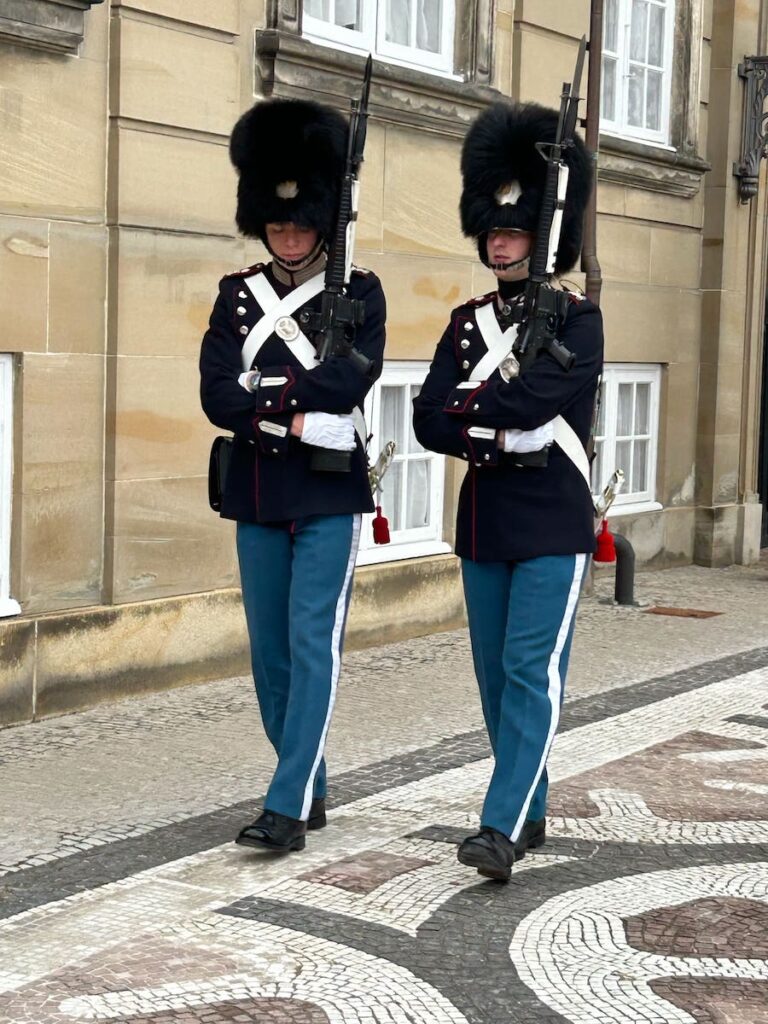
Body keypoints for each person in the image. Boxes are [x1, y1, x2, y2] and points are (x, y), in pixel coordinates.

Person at [412, 101, 602, 881]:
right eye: (492, 232)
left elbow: (535, 407)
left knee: (531, 671)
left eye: (514, 231)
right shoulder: (465, 326)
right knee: (495, 678)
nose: (499, 243)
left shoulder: (579, 321)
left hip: (553, 521)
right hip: (486, 521)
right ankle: (531, 803)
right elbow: (428, 418)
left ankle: (499, 826)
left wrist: (475, 414)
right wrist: (484, 420)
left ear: (542, 235)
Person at [200, 98, 386, 854]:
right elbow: (214, 393)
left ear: (322, 225)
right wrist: (284, 410)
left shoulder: (358, 292)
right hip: (255, 490)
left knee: (314, 644)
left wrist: (260, 395)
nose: (287, 236)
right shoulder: (237, 295)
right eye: (276, 227)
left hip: (326, 490)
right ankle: (304, 775)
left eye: (300, 226)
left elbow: (347, 385)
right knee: (270, 652)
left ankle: (285, 804)